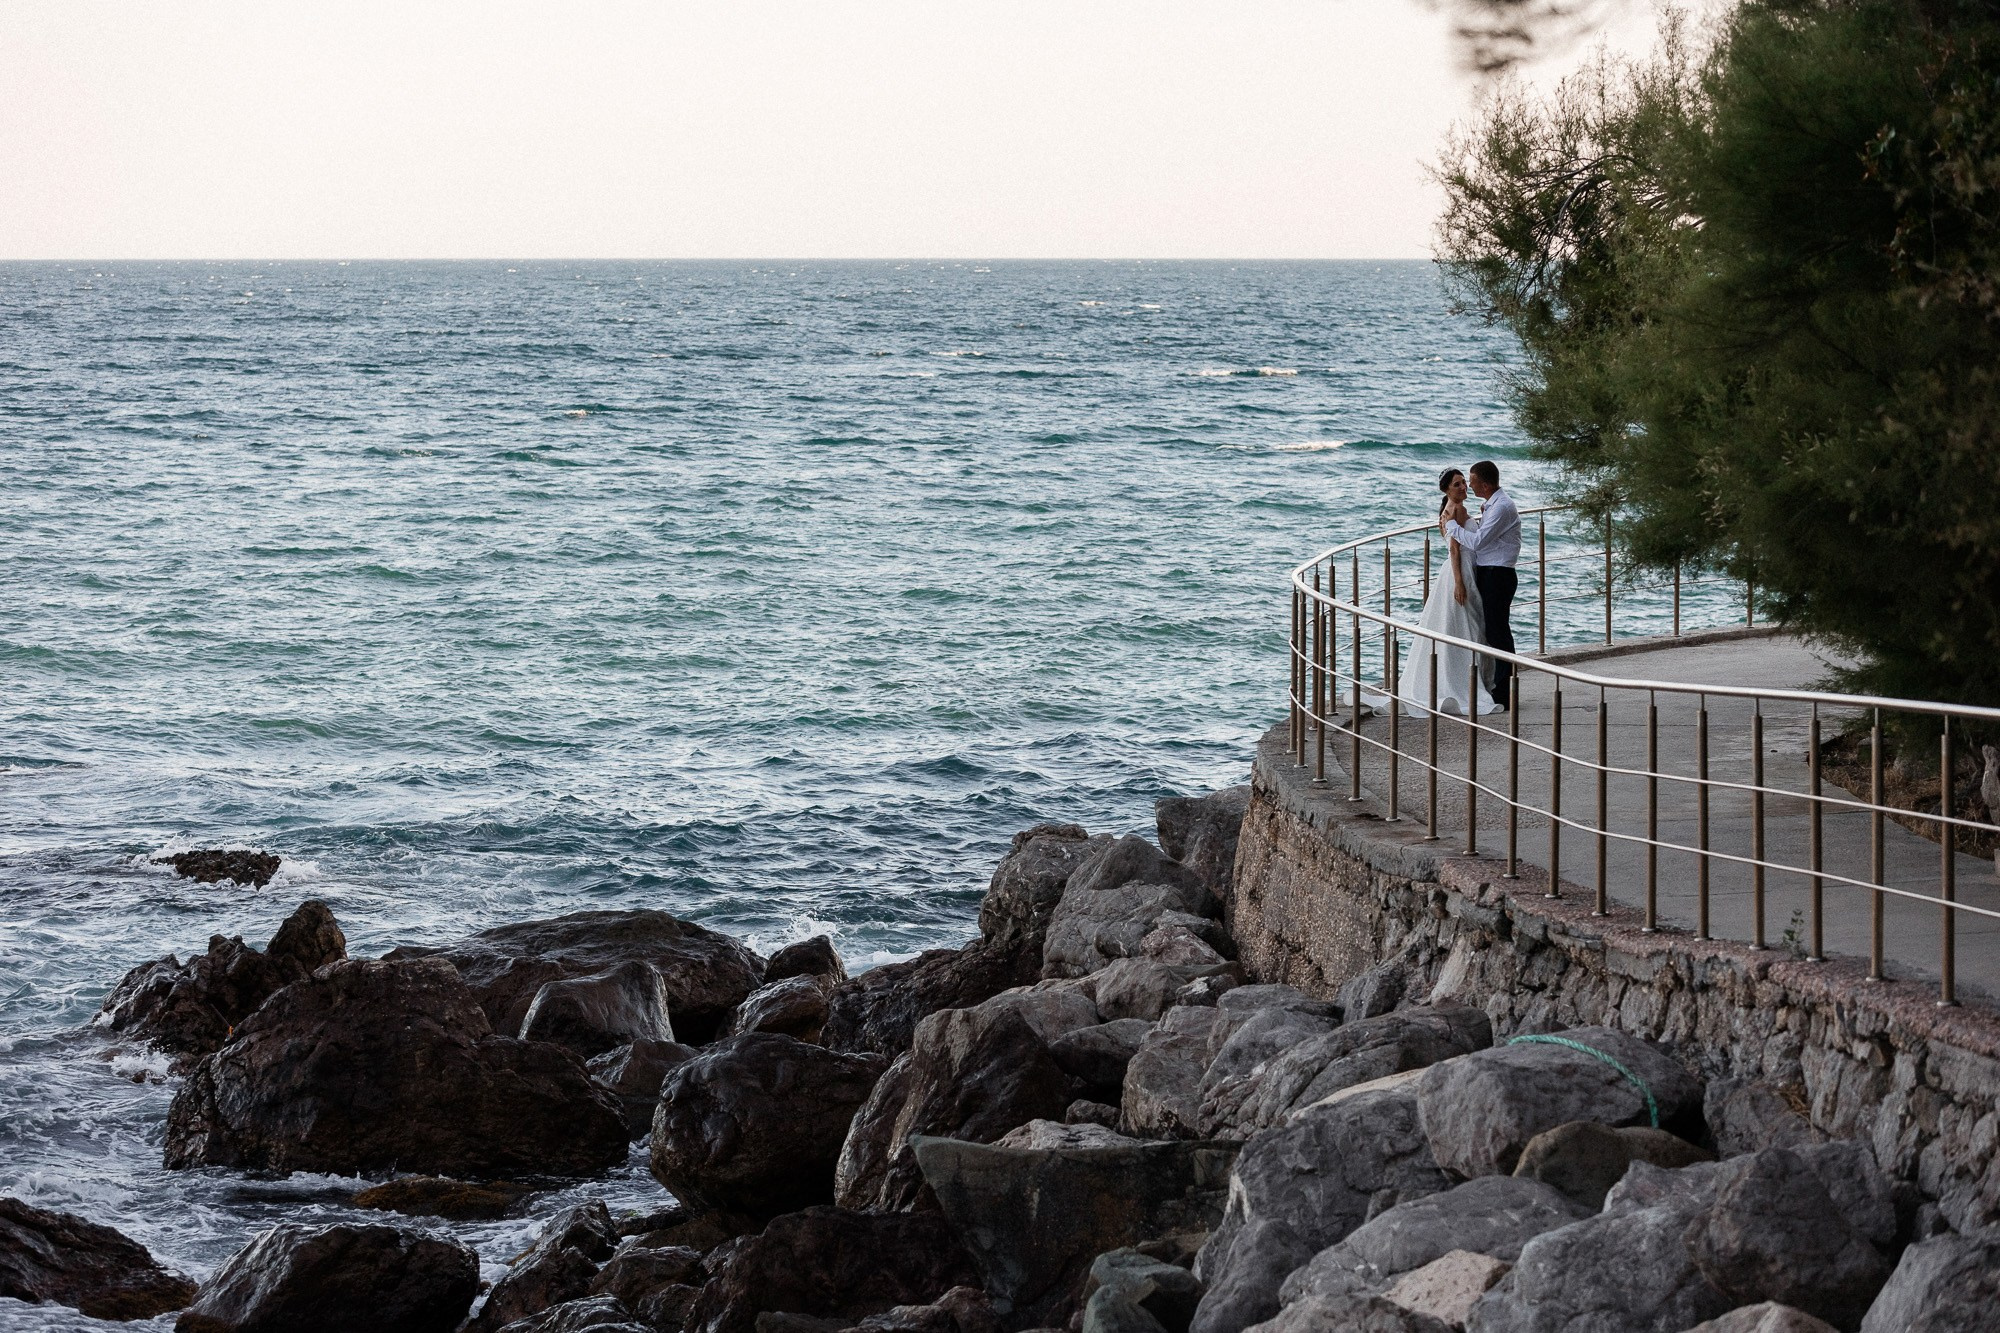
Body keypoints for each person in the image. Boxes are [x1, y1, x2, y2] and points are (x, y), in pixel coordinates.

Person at [1366, 469, 1500, 717]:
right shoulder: (1455, 510)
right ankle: (1464, 682)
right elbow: (1455, 551)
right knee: (1469, 624)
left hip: (1459, 570)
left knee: (1462, 624)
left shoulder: (1452, 509)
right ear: (1447, 489)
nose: (1463, 488)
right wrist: (1460, 583)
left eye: (1464, 483)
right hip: (1460, 571)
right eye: (1457, 484)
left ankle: (1464, 677)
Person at [1443, 459, 1522, 709]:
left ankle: (1505, 689)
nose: (1468, 485)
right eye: (1462, 482)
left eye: (1471, 481)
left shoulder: (1501, 507)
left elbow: (1477, 542)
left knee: (1497, 632)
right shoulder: (1491, 504)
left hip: (1497, 574)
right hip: (1485, 572)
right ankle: (1496, 684)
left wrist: (1452, 526)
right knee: (1489, 630)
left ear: (1485, 484)